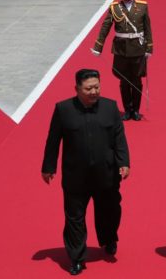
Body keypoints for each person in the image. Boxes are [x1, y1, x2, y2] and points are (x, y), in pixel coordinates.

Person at [41, 69, 130, 275]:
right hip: (75, 176)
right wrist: (48, 167)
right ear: (77, 89)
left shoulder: (110, 107)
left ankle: (109, 239)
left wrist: (123, 162)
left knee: (110, 211)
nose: (94, 91)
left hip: (106, 174)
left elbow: (119, 138)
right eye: (88, 88)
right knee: (74, 218)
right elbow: (53, 140)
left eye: (97, 87)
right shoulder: (63, 109)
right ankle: (77, 258)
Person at [91, 0, 153, 121]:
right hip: (121, 50)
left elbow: (147, 27)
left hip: (138, 49)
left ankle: (136, 110)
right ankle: (127, 109)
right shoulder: (114, 8)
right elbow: (105, 27)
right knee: (124, 81)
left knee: (137, 81)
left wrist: (149, 47)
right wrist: (98, 46)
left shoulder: (142, 7)